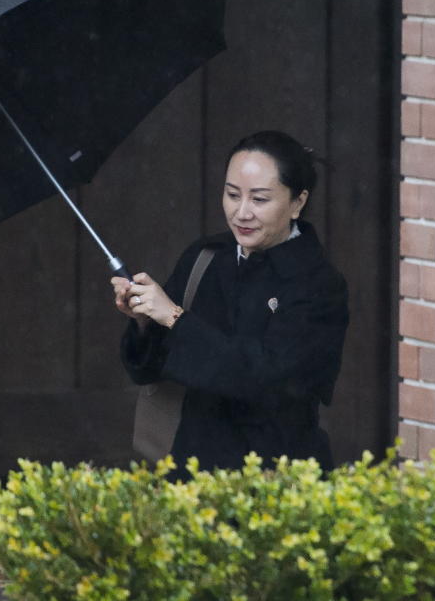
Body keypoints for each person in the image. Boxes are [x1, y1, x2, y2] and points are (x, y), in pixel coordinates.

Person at [110, 130, 349, 472]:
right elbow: (145, 371)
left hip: (276, 481)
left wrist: (176, 319)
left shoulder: (318, 283)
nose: (242, 212)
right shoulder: (205, 257)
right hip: (189, 473)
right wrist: (144, 321)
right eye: (232, 194)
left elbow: (263, 379)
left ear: (298, 202)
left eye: (260, 199)